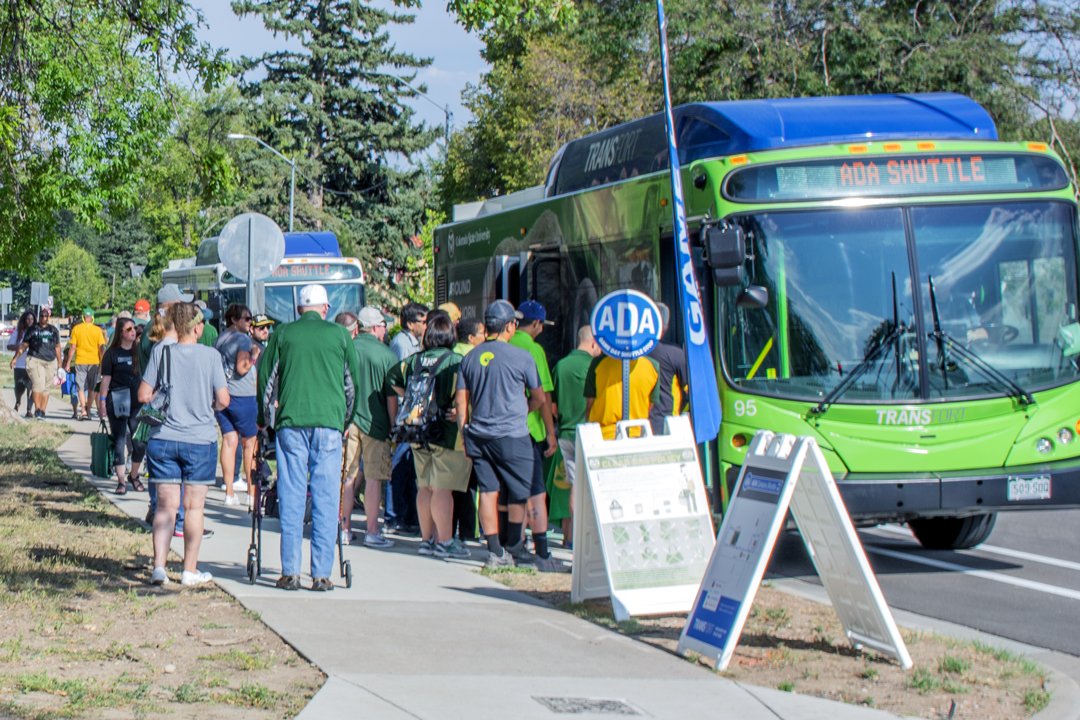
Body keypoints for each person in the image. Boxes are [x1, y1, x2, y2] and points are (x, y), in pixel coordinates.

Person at [257, 284, 360, 592]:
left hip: (291, 422)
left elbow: (266, 381)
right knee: (326, 497)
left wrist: (266, 421)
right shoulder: (340, 335)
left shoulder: (284, 334)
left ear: (299, 309)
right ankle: (321, 574)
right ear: (325, 308)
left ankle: (290, 572)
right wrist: (345, 420)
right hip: (328, 424)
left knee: (291, 494)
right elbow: (351, 385)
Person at [455, 300, 560, 571]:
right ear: (510, 326)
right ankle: (526, 549)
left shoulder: (470, 358)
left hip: (479, 435)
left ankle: (494, 551)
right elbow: (539, 397)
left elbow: (461, 403)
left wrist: (465, 434)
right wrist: (525, 409)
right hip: (513, 436)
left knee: (488, 492)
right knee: (527, 492)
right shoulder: (522, 357)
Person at [140, 302, 229, 587]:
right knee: (194, 508)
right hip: (199, 440)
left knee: (166, 506)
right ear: (198, 327)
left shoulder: (160, 352)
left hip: (163, 438)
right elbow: (224, 400)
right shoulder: (211, 356)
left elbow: (144, 394)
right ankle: (189, 570)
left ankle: (159, 567)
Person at [388, 311, 470, 560]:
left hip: (417, 430)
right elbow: (464, 392)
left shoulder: (413, 361)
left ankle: (427, 539)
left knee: (424, 487)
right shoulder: (455, 361)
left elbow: (391, 378)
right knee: (443, 488)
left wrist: (412, 399)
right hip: (446, 432)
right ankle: (445, 541)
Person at [507, 299, 560, 568]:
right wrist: (550, 434)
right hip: (530, 431)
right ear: (537, 324)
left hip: (503, 431)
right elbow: (543, 396)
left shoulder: (504, 342)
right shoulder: (534, 350)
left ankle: (513, 543)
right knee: (535, 490)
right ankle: (542, 551)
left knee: (510, 490)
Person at [341, 306, 397, 548]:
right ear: (375, 327)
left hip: (348, 422)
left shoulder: (347, 350)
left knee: (348, 476)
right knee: (374, 479)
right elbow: (392, 397)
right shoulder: (385, 355)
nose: (385, 330)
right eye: (384, 326)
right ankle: (372, 531)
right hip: (377, 425)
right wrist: (394, 426)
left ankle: (344, 528)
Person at [551, 325, 601, 546]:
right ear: (593, 343)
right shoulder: (595, 366)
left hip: (564, 432)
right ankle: (581, 538)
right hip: (588, 433)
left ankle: (568, 536)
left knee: (571, 485)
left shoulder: (561, 366)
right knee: (582, 488)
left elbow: (552, 405)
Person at [215, 304, 258, 506]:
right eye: (247, 318)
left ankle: (229, 492)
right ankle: (251, 492)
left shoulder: (221, 338)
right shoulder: (242, 339)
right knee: (250, 444)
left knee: (229, 441)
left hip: (222, 394)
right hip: (243, 395)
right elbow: (242, 368)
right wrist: (254, 355)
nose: (250, 322)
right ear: (234, 320)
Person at [97, 317, 147, 495]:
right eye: (128, 329)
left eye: (133, 329)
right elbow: (105, 381)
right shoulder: (112, 354)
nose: (132, 331)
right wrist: (102, 402)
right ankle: (120, 481)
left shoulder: (138, 351)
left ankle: (133, 475)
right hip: (117, 398)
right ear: (120, 333)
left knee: (139, 442)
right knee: (119, 440)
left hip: (136, 401)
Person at [450, 317, 485, 543]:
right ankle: (469, 532)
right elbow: (464, 400)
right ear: (471, 337)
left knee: (453, 486)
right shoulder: (474, 358)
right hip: (468, 429)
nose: (485, 337)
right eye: (482, 333)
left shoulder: (451, 353)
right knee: (470, 486)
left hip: (450, 434)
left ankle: (450, 531)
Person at [585, 350, 661, 440]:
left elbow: (590, 403)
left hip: (604, 435)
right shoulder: (652, 365)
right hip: (637, 433)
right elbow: (651, 405)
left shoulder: (598, 362)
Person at [11, 306, 62, 420]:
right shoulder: (32, 329)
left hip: (50, 361)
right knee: (38, 384)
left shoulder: (53, 330)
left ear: (48, 317)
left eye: (46, 316)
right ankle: (37, 410)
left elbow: (58, 347)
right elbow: (24, 345)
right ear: (39, 317)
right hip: (35, 360)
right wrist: (15, 358)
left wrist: (60, 364)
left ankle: (43, 411)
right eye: (42, 316)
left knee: (46, 387)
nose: (44, 318)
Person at [647, 303, 689, 435]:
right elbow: (690, 390)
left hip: (632, 426)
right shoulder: (675, 354)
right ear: (664, 328)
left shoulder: (624, 355)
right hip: (666, 426)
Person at [64, 308, 107, 421]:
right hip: (94, 362)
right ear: (92, 318)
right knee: (92, 387)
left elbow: (72, 347)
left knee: (80, 386)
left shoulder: (76, 329)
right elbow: (101, 348)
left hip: (80, 361)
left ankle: (83, 409)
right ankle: (88, 411)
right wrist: (103, 362)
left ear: (83, 317)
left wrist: (68, 363)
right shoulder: (98, 330)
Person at [8, 310, 36, 417]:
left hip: (33, 365)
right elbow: (9, 346)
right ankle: (18, 402)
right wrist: (21, 346)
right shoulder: (19, 332)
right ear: (24, 320)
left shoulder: (36, 332)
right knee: (19, 387)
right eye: (28, 319)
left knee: (33, 388)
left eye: (32, 319)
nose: (30, 321)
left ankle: (29, 409)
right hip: (20, 365)